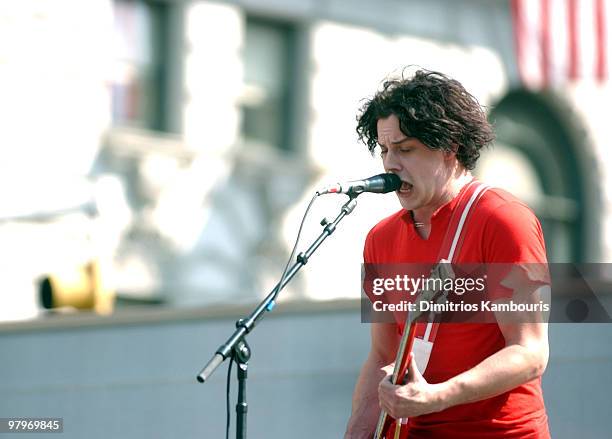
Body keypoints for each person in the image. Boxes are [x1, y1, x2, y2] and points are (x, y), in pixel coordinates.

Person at [344, 69, 550, 438]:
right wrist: (359, 428)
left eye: (406, 149)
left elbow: (530, 352)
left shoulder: (505, 220)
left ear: (449, 148)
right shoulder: (379, 238)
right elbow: (381, 355)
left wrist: (438, 396)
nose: (390, 163)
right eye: (385, 150)